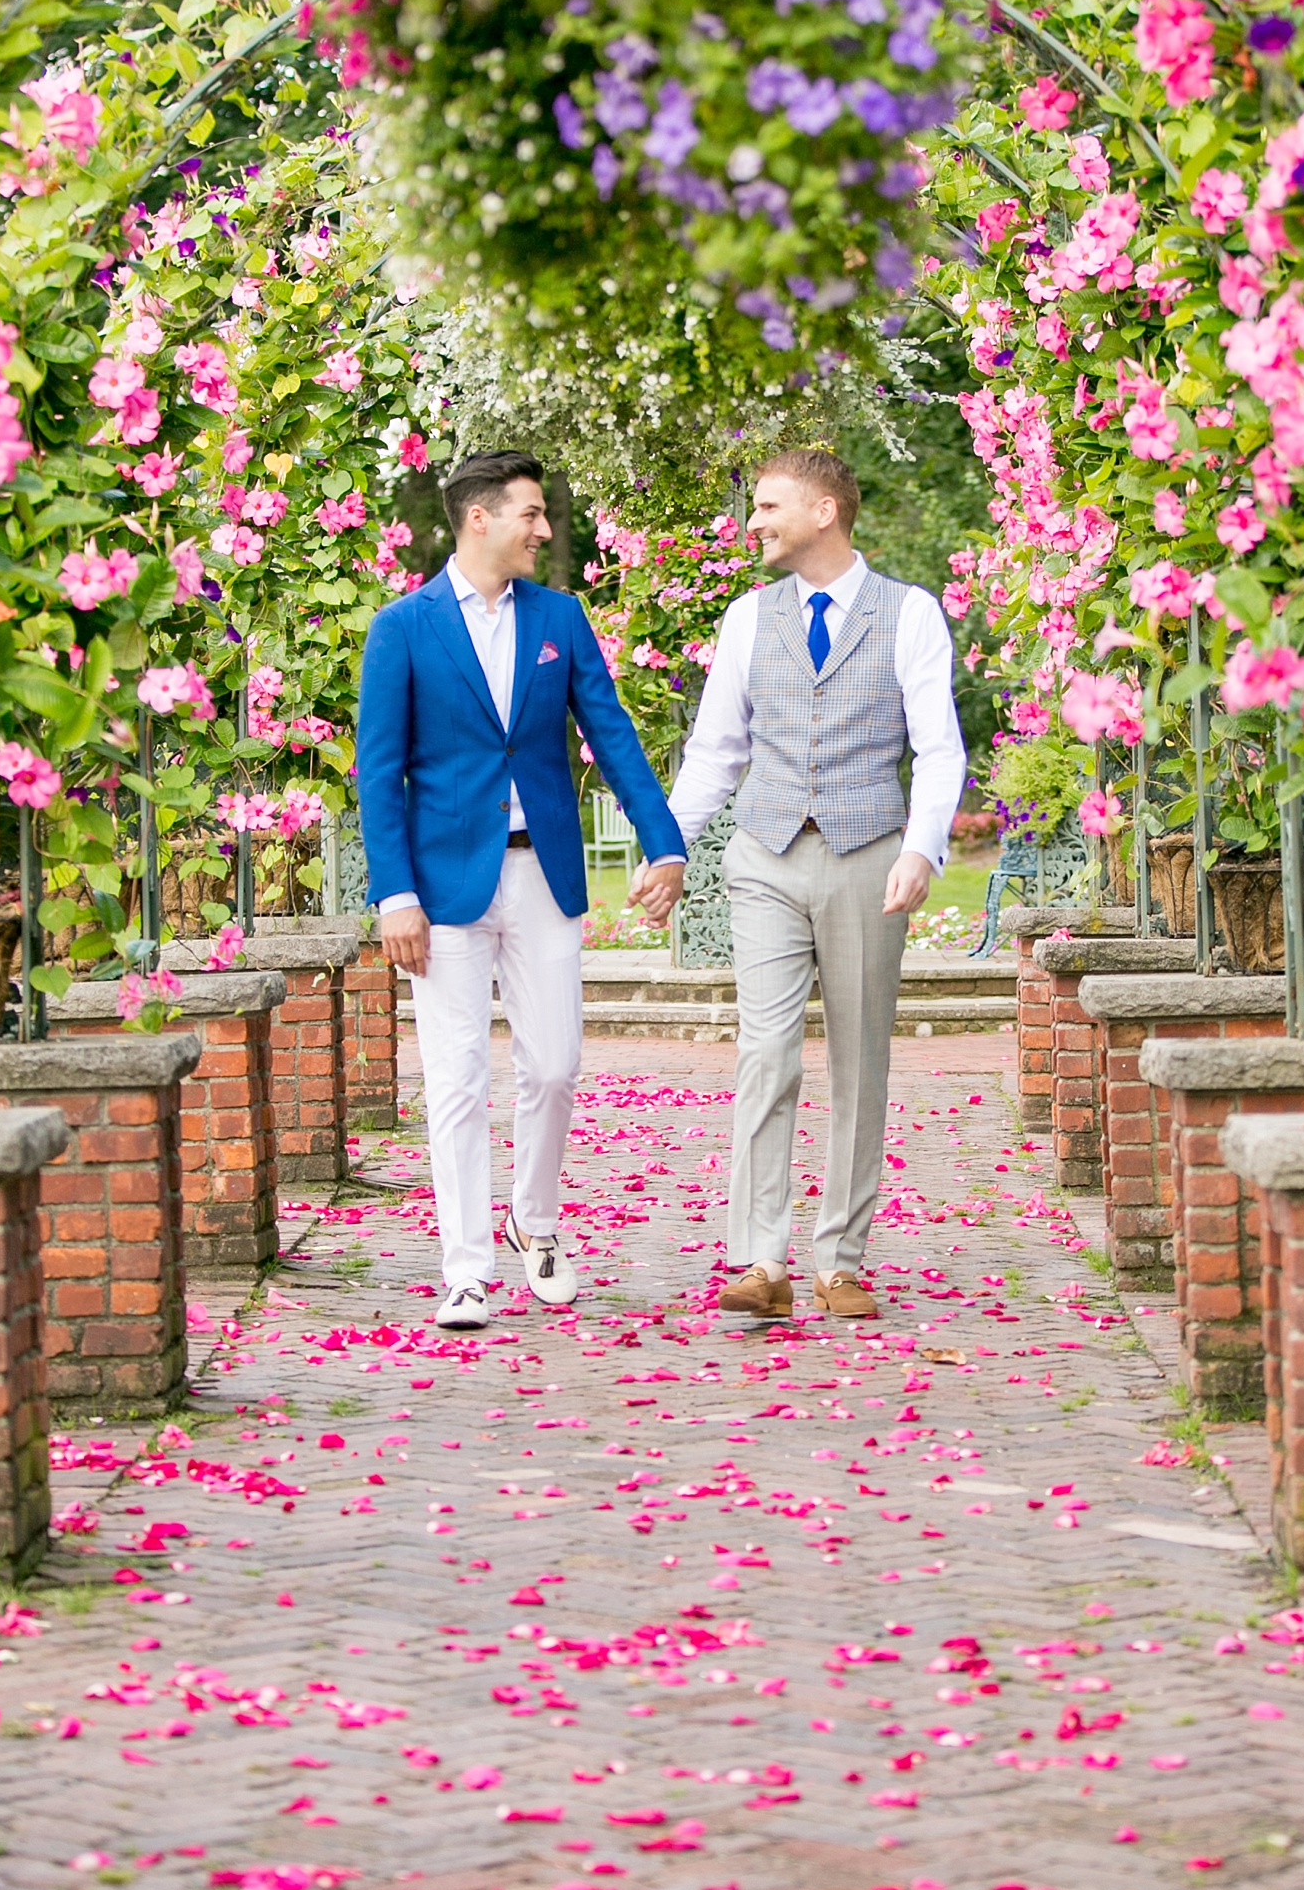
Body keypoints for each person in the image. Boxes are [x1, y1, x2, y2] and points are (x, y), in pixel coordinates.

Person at [633, 448, 964, 1321]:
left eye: (769, 505)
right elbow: (717, 752)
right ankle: (759, 1262)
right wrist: (669, 845)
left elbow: (938, 749)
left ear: (825, 510)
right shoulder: (748, 619)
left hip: (868, 858)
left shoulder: (911, 614)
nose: (754, 522)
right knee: (766, 1053)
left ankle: (840, 1258)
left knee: (860, 1062)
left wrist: (922, 848)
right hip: (766, 856)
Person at [358, 450, 686, 1330]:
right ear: (480, 519)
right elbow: (378, 774)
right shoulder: (402, 627)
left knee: (554, 1064)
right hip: (440, 887)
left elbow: (610, 736)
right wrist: (394, 894)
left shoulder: (560, 619)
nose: (544, 530)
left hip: (544, 873)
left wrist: (664, 843)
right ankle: (465, 1268)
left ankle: (533, 1222)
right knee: (456, 1080)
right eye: (531, 514)